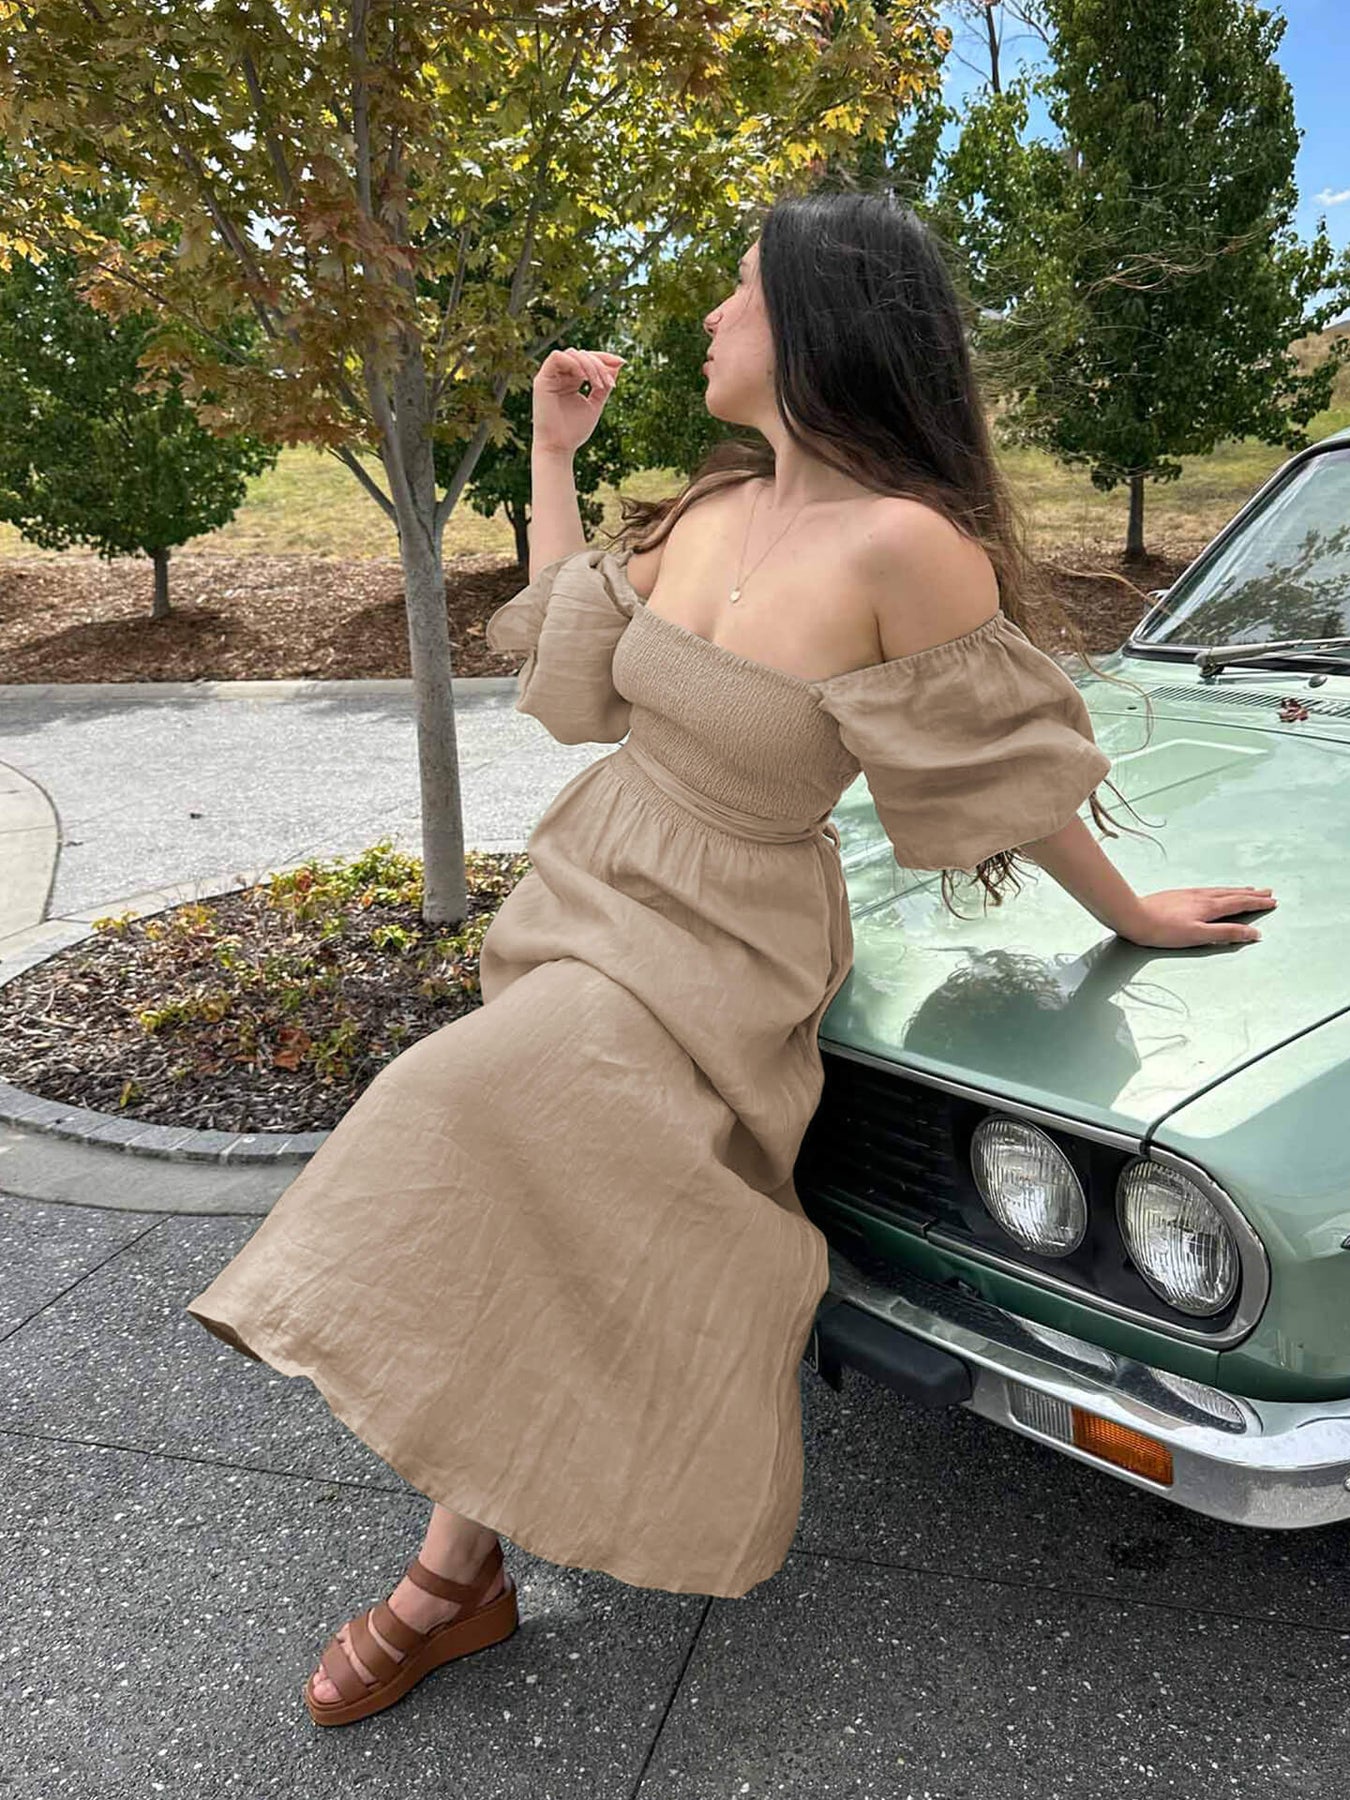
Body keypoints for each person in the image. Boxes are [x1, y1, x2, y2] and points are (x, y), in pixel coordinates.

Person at [184, 186, 1277, 1728]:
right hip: (591, 886)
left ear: (820, 320)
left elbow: (1003, 776)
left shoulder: (904, 548)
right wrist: (552, 457)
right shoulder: (708, 507)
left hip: (727, 935)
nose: (709, 315)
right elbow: (575, 671)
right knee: (528, 1193)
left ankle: (444, 1578)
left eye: (740, 289)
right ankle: (461, 1571)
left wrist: (1133, 916)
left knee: (456, 1105)